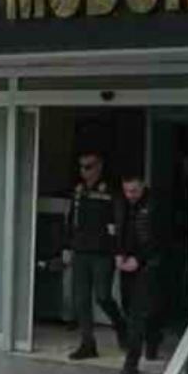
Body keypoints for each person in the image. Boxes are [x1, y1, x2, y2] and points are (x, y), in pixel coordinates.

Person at [63, 151, 125, 360]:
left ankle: (121, 326)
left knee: (103, 296)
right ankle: (87, 343)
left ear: (99, 166)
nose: (84, 171)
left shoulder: (110, 190)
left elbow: (119, 220)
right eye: (81, 167)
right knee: (80, 299)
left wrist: (119, 250)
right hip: (80, 250)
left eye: (88, 167)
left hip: (103, 252)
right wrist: (67, 246)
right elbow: (71, 219)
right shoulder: (78, 190)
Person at [115, 175, 166, 374]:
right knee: (130, 307)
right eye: (126, 190)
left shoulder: (155, 206)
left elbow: (160, 238)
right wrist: (119, 253)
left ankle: (132, 361)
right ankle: (153, 338)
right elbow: (118, 230)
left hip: (148, 264)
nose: (130, 195)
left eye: (134, 190)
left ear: (143, 186)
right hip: (127, 262)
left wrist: (139, 259)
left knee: (137, 313)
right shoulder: (123, 204)